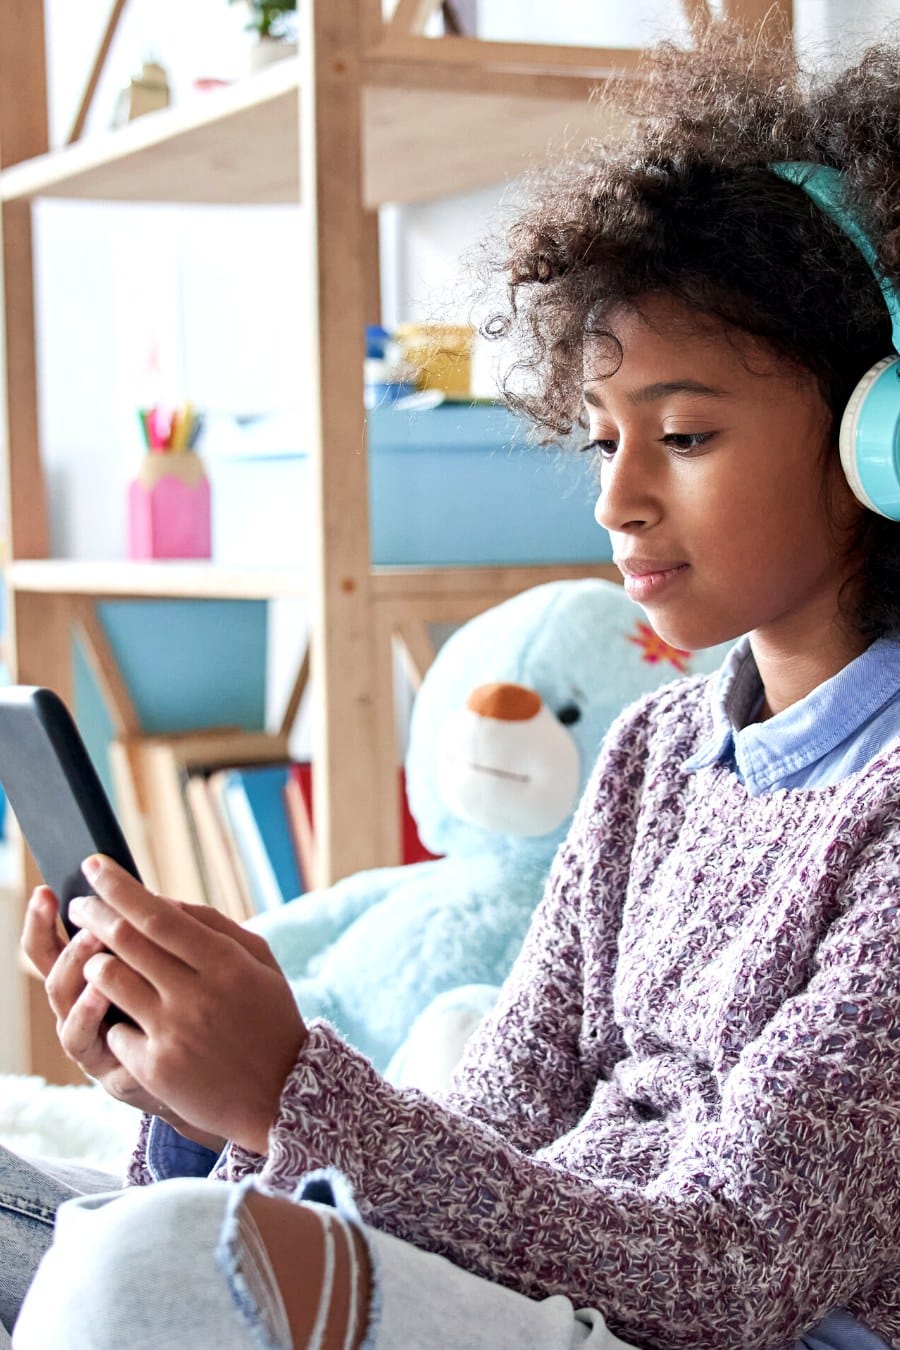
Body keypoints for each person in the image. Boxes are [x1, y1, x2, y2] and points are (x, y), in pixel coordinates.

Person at [3, 23, 900, 1350]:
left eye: (686, 434)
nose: (617, 496)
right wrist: (203, 1108)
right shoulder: (655, 752)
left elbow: (732, 1266)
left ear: (877, 431)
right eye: (601, 439)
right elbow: (487, 1131)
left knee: (146, 1274)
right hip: (539, 1293)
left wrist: (291, 1095)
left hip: (687, 1328)